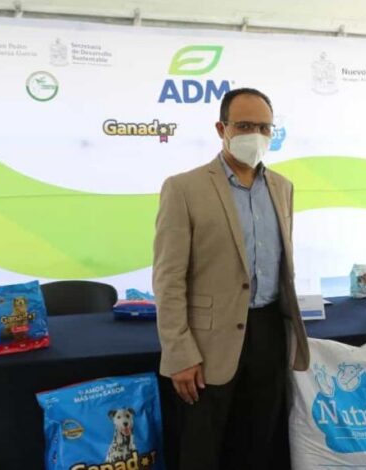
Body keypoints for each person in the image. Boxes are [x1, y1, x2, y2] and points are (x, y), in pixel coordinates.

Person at [153, 87, 309, 470]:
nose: (255, 135)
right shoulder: (183, 188)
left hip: (269, 333)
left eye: (264, 127)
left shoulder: (282, 187)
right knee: (202, 453)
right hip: (207, 344)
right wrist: (179, 353)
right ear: (221, 128)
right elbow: (168, 279)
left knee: (257, 447)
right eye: (244, 126)